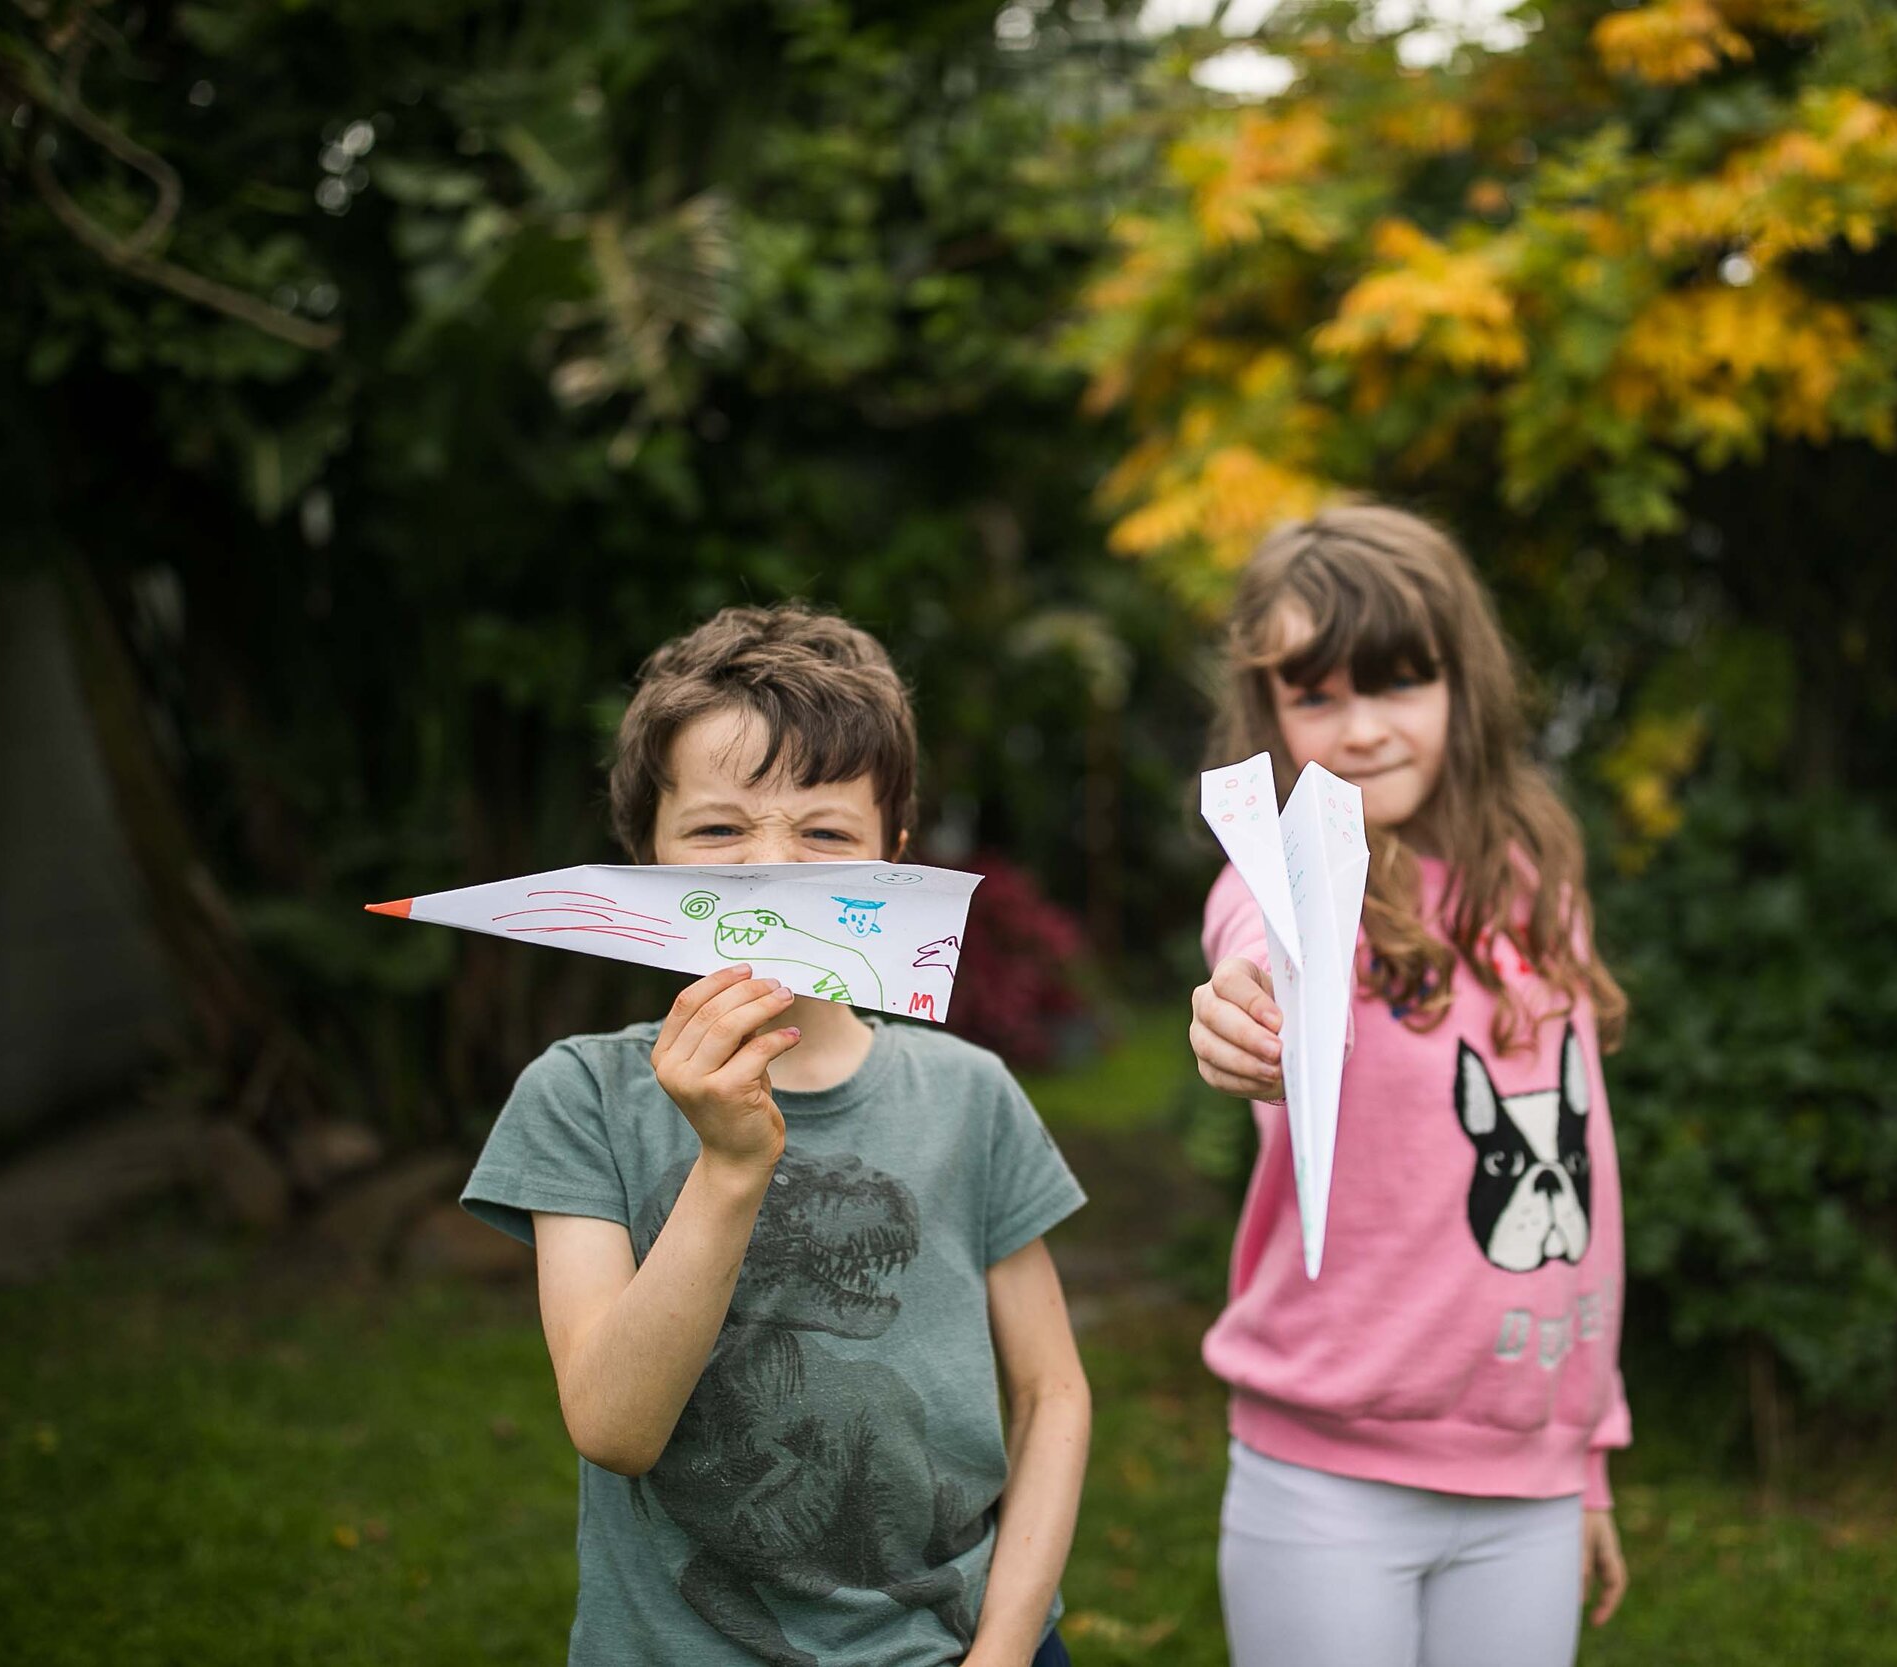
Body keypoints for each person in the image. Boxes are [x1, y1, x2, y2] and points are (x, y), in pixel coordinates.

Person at [460, 602, 1088, 1667]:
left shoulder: (971, 1093)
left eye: (824, 831)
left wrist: (1005, 1647)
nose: (770, 867)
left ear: (891, 852)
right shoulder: (580, 1094)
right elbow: (615, 1426)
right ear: (643, 854)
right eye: (717, 828)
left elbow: (1051, 1391)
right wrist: (732, 1162)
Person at [1186, 505, 1634, 1667]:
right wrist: (1243, 1010)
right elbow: (1261, 954)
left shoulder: (1534, 877)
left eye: (1398, 682)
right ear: (1270, 715)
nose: (1365, 728)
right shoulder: (1288, 875)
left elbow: (1582, 1185)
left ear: (1461, 681)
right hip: (1326, 1475)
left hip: (1529, 1473)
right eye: (1317, 695)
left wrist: (1585, 1458)